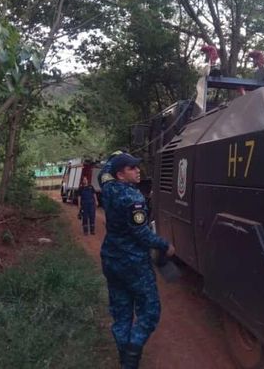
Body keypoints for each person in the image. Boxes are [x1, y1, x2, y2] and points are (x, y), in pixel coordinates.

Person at [100, 153, 175, 369]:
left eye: (137, 167)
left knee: (121, 314)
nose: (137, 170)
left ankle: (126, 363)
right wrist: (164, 245)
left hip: (111, 261)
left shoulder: (108, 188)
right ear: (121, 175)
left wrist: (114, 157)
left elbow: (105, 173)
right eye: (132, 168)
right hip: (133, 264)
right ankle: (133, 352)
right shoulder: (134, 199)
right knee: (150, 312)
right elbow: (142, 234)